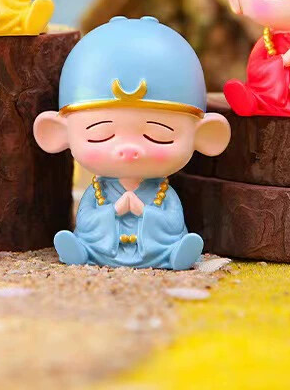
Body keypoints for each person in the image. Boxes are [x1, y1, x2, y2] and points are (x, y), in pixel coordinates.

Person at [34, 16, 230, 270]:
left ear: (204, 135)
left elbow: (172, 222)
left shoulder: (163, 193)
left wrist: (142, 210)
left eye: (158, 135)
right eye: (101, 134)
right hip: (102, 245)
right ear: (59, 133)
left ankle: (174, 254)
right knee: (85, 237)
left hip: (156, 247)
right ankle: (82, 250)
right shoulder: (98, 192)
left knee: (173, 240)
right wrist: (114, 210)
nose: (128, 149)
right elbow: (87, 221)